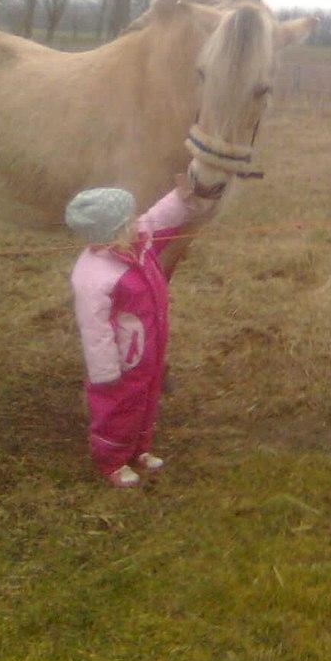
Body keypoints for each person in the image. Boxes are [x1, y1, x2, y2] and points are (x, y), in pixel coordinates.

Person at [65, 177, 221, 488]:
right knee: (119, 406)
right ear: (109, 234)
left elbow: (159, 216)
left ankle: (138, 449)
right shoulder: (93, 276)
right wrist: (105, 372)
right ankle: (112, 460)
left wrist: (181, 196)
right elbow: (95, 330)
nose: (138, 223)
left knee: (147, 396)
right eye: (129, 221)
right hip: (121, 359)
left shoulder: (136, 242)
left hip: (149, 344)